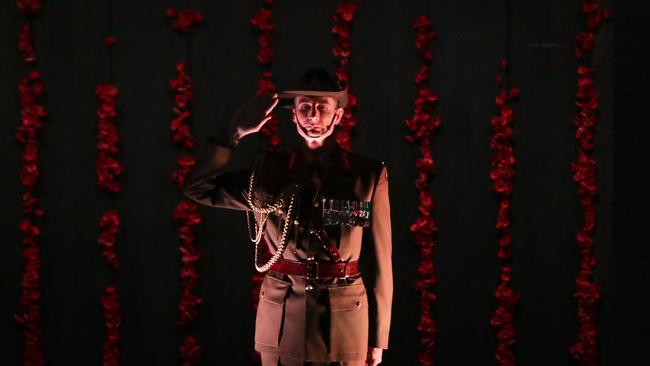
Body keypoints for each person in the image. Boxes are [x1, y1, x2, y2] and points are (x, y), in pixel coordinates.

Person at [182, 69, 392, 366]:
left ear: (338, 116)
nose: (313, 117)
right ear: (293, 115)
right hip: (282, 321)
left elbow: (380, 262)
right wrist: (234, 133)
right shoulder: (268, 171)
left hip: (345, 323)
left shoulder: (366, 175)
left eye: (322, 108)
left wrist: (378, 338)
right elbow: (198, 188)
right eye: (304, 107)